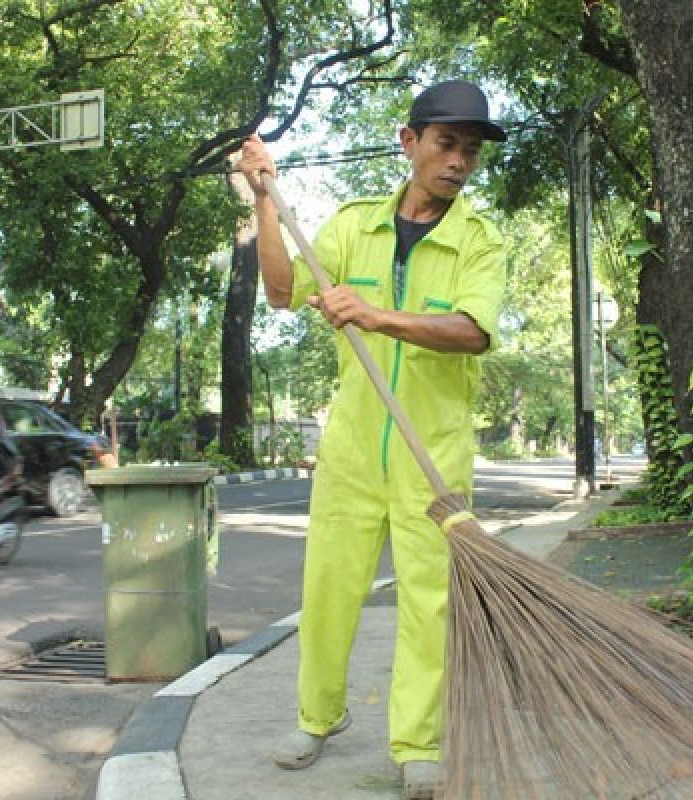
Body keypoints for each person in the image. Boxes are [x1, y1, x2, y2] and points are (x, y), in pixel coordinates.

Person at [235, 80, 507, 800]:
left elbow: (473, 332)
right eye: (446, 144)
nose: (457, 162)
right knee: (329, 591)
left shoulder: (478, 240)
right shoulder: (355, 226)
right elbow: (283, 288)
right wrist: (265, 199)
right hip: (353, 447)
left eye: (470, 151)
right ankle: (317, 717)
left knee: (429, 602)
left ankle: (417, 742)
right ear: (409, 141)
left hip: (432, 451)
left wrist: (381, 316)